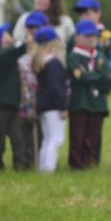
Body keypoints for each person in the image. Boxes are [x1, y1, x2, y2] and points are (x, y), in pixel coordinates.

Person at [0, 25, 32, 171]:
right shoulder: (2, 54)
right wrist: (30, 38)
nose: (8, 35)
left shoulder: (6, 54)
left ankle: (20, 166)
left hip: (10, 103)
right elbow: (21, 49)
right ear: (1, 40)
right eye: (5, 34)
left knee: (17, 137)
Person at [67, 19, 111, 169]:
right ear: (77, 37)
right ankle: (77, 164)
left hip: (98, 103)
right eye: (86, 36)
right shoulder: (74, 56)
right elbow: (80, 77)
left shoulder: (100, 56)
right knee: (78, 135)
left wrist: (92, 77)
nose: (91, 39)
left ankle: (91, 162)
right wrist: (98, 76)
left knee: (94, 135)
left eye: (93, 36)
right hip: (80, 101)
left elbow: (108, 80)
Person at [32, 26, 67, 172]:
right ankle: (49, 168)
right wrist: (62, 106)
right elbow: (55, 87)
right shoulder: (54, 62)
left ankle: (43, 167)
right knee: (56, 138)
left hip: (43, 104)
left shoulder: (41, 61)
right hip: (53, 105)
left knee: (47, 138)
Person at [17, 11, 47, 167]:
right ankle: (25, 161)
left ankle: (37, 159)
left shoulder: (47, 48)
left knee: (40, 130)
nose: (33, 31)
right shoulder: (21, 47)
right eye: (30, 28)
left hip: (41, 94)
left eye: (36, 27)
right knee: (23, 131)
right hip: (24, 95)